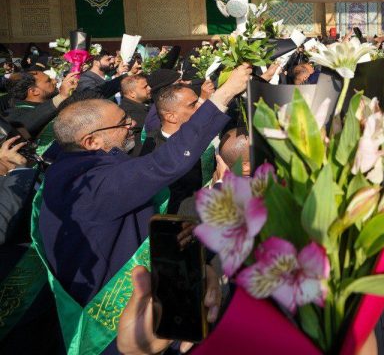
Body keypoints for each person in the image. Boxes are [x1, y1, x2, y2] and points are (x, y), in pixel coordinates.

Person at [36, 64, 251, 355]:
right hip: (116, 329)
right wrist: (224, 95)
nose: (133, 125)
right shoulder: (89, 185)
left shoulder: (73, 168)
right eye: (122, 123)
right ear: (91, 141)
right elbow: (164, 164)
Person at [140, 84, 214, 213]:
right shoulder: (158, 154)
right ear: (171, 116)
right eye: (193, 105)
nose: (201, 106)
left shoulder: (200, 133)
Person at [5, 71, 79, 138]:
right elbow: (22, 126)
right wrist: (61, 96)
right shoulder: (15, 114)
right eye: (49, 81)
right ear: (34, 91)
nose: (55, 81)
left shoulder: (48, 101)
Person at [119, 74, 152, 155]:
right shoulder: (128, 112)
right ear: (132, 93)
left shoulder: (141, 106)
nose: (149, 89)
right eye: (145, 87)